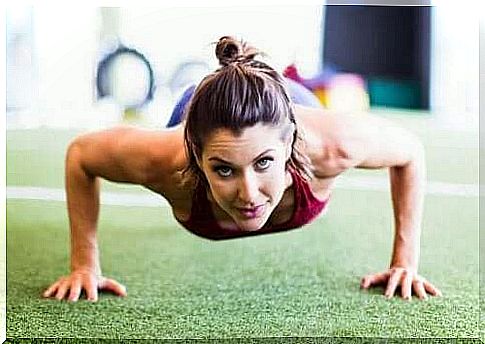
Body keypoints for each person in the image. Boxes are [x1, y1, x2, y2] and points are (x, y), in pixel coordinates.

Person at [43, 36, 442, 302]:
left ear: (288, 148)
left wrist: (404, 262)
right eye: (224, 171)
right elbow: (81, 156)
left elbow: (409, 153)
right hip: (195, 110)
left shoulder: (331, 145)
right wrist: (84, 263)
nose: (249, 194)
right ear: (197, 158)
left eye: (264, 164)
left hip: (290, 101)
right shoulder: (167, 161)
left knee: (271, 122)